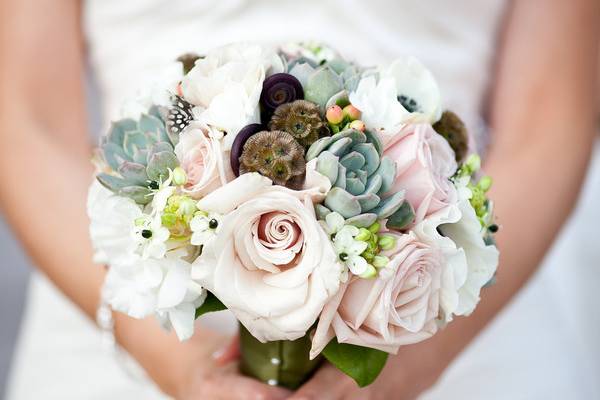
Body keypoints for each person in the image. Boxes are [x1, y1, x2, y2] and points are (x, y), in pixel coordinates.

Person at [1, 0, 598, 399]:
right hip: (120, 308)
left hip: (465, 342)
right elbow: (27, 123)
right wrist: (167, 359)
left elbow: (549, 125)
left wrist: (411, 361)